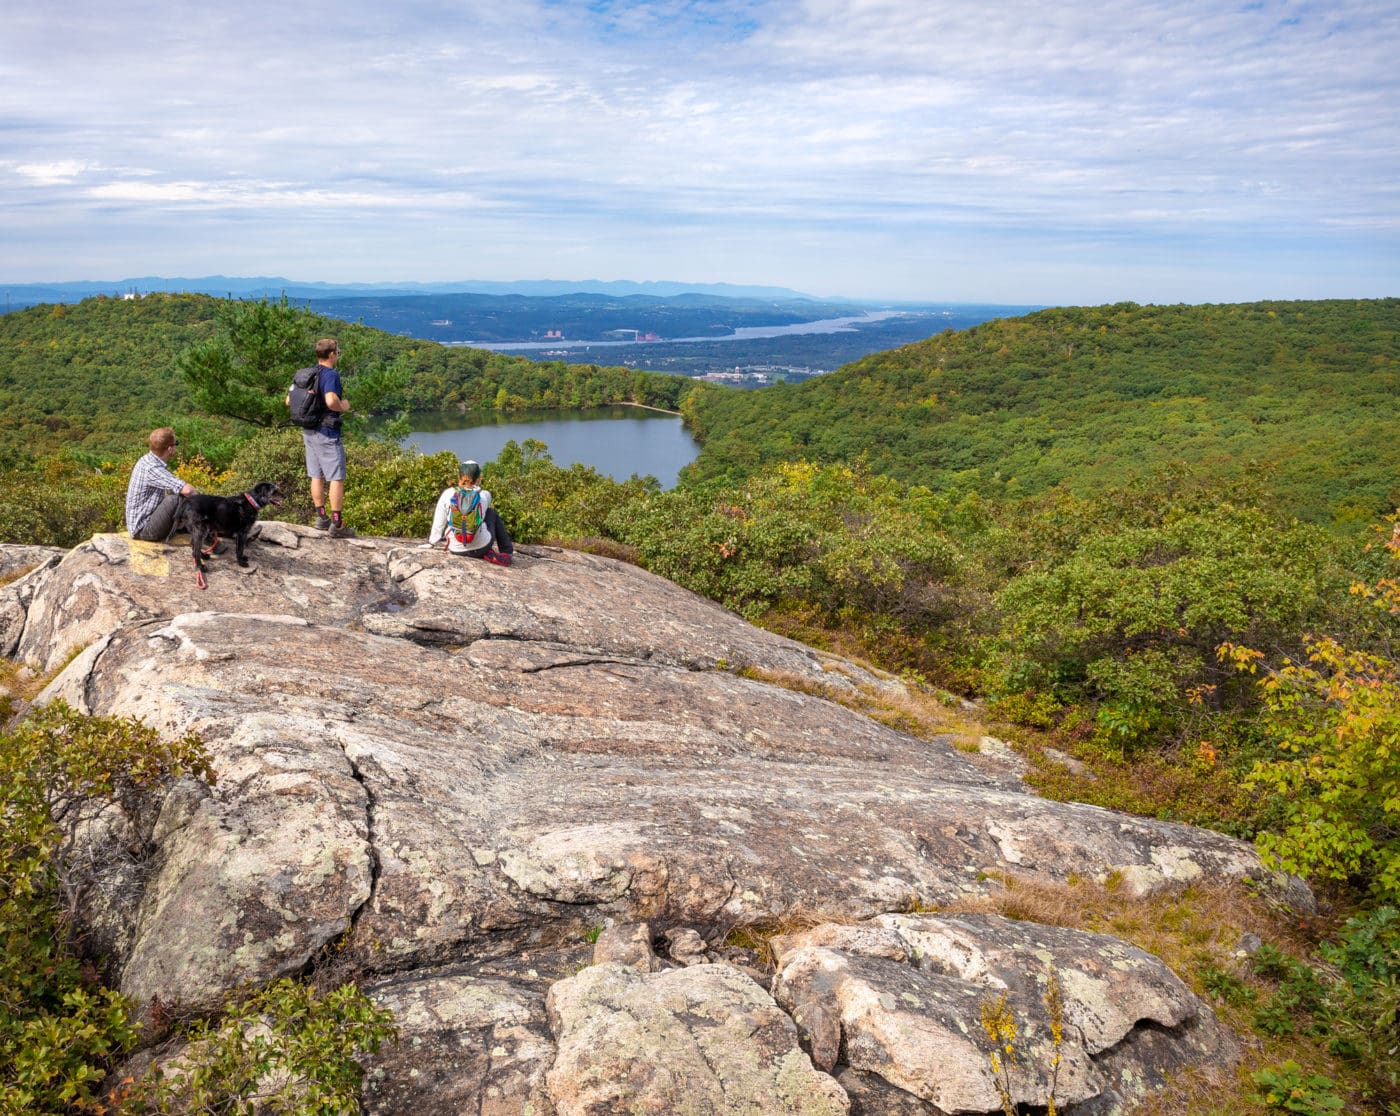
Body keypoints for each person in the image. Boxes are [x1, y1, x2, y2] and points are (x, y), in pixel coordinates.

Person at [286, 338, 354, 537]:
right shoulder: (330, 375)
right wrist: (343, 407)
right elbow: (331, 399)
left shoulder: (307, 374)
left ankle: (321, 518)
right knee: (336, 477)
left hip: (309, 430)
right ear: (332, 354)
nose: (338, 355)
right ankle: (337, 524)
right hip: (327, 432)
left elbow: (289, 400)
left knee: (316, 475)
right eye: (337, 352)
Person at [428, 459, 513, 566]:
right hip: (481, 547)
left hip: (455, 549)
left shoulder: (447, 494)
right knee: (491, 512)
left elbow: (439, 522)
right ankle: (507, 552)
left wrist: (432, 542)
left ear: (459, 477)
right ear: (478, 479)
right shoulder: (485, 495)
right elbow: (483, 515)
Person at [125, 427, 196, 541]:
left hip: (144, 523)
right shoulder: (152, 468)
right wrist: (206, 506)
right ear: (170, 449)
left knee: (177, 497)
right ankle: (207, 533)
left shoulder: (147, 460)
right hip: (143, 530)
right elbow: (188, 490)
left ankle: (194, 529)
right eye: (175, 444)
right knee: (175, 499)